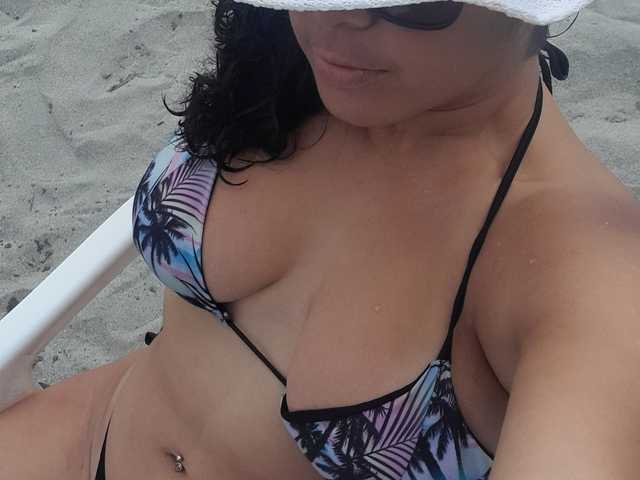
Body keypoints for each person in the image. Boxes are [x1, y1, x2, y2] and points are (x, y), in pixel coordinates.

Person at [2, 0, 639, 478]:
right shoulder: (285, 47)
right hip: (85, 430)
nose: (336, 18)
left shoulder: (585, 274)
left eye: (409, 1)